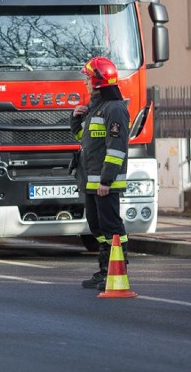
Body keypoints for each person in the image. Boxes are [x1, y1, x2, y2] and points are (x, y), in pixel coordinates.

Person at [71, 56, 130, 290]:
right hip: (92, 182)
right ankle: (105, 270)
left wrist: (106, 180)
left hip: (105, 183)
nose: (85, 83)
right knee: (96, 226)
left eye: (88, 78)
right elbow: (84, 141)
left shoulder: (114, 109)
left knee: (111, 226)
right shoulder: (96, 107)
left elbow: (116, 149)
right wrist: (75, 119)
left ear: (97, 82)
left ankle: (118, 270)